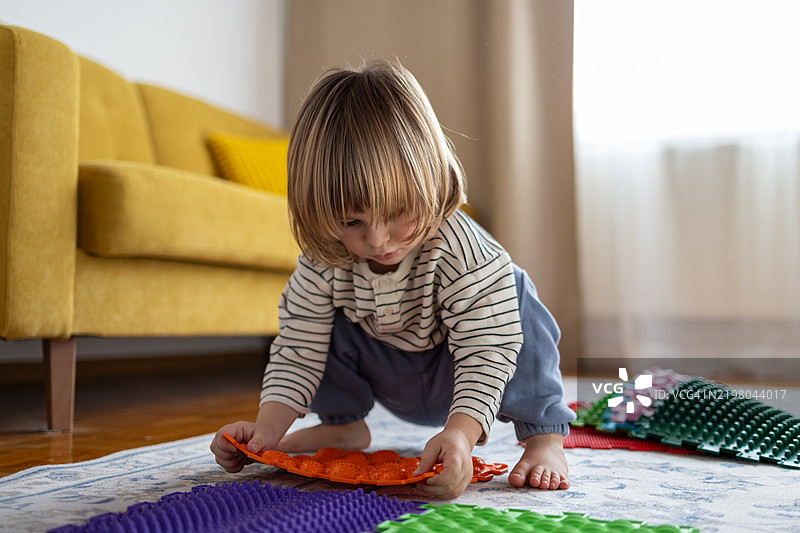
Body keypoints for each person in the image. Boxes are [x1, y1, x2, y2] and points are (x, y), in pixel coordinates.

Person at [210, 59, 576, 500]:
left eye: (398, 213)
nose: (378, 239)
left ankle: (544, 440)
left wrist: (460, 433)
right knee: (316, 324)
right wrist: (266, 430)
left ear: (430, 177)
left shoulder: (465, 253)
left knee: (514, 295)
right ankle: (342, 427)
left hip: (461, 369)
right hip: (389, 370)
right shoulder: (323, 260)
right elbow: (297, 350)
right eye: (352, 221)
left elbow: (486, 349)